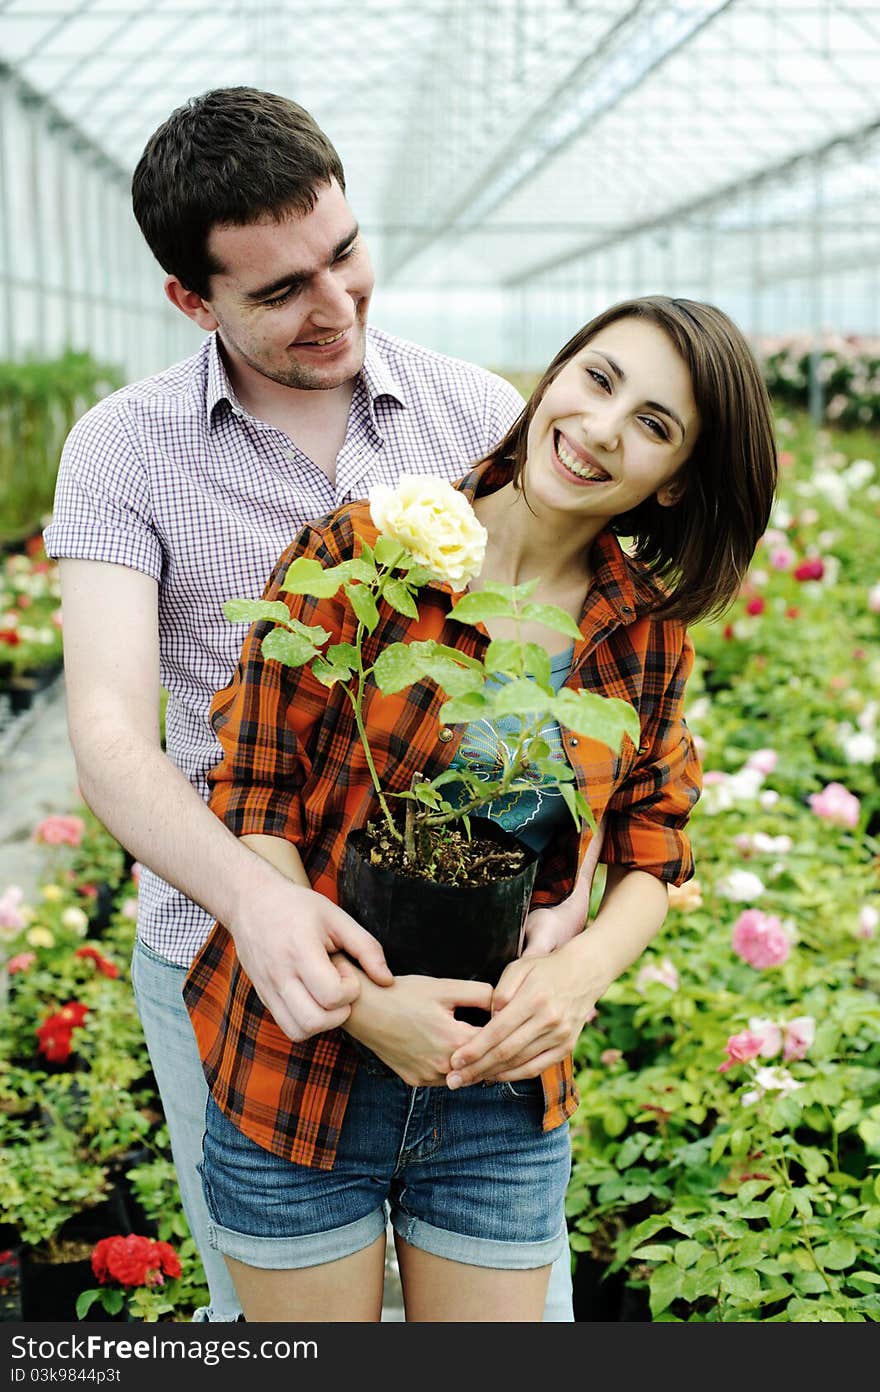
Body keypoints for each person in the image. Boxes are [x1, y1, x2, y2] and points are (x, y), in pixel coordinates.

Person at [43, 86, 577, 1321]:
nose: (332, 307)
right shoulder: (125, 450)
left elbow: (551, 690)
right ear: (193, 300)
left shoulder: (477, 419)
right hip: (232, 965)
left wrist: (572, 913)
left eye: (342, 255)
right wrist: (263, 905)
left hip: (461, 968)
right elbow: (113, 735)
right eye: (278, 292)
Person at [183, 295, 778, 1321]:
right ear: (554, 376)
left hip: (498, 1092)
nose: (599, 427)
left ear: (675, 482)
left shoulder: (642, 638)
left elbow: (657, 844)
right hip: (305, 1065)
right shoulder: (370, 552)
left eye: (652, 424)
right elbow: (254, 793)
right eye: (597, 379)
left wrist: (580, 974)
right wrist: (363, 1006)